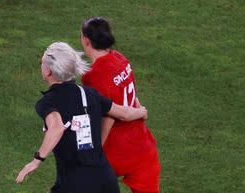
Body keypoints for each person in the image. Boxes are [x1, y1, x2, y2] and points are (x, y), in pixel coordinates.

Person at [15, 42, 149, 192]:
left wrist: (36, 161)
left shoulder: (47, 102)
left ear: (48, 71)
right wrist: (142, 112)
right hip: (106, 181)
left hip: (75, 183)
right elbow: (124, 114)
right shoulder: (90, 93)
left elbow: (57, 127)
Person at [81, 17, 160, 193]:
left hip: (116, 150)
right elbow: (131, 97)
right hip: (142, 147)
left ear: (86, 40)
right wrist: (140, 112)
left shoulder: (93, 76)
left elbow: (108, 114)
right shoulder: (120, 59)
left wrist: (95, 151)